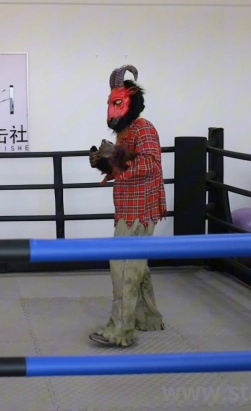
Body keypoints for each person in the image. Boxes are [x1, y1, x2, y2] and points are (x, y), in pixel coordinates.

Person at [88, 64, 167, 348]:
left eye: (118, 103)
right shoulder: (126, 131)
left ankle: (120, 330)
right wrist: (106, 163)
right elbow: (126, 166)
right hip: (129, 206)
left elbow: (151, 163)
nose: (112, 110)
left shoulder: (143, 128)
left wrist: (118, 160)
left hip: (139, 209)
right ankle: (148, 317)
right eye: (111, 103)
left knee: (123, 266)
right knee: (136, 264)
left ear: (131, 101)